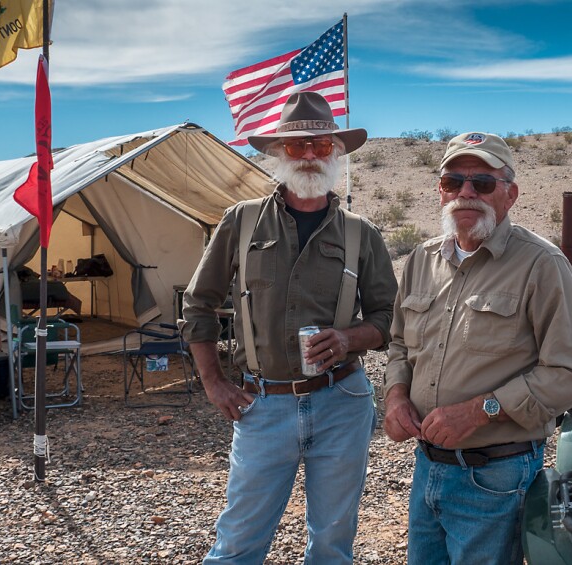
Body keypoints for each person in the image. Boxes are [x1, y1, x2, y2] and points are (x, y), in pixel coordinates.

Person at [179, 92, 397, 564]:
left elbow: (388, 318)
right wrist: (214, 382)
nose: (311, 155)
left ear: (337, 151)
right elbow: (198, 302)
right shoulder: (241, 221)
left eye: (321, 145)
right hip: (263, 404)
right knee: (239, 539)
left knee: (332, 542)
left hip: (342, 401)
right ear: (279, 153)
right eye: (298, 147)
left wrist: (348, 339)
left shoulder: (362, 233)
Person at [383, 132, 572, 564]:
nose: (465, 192)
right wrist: (396, 395)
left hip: (495, 476)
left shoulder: (542, 265)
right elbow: (400, 344)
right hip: (428, 466)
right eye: (453, 181)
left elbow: (571, 375)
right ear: (439, 190)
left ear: (509, 194)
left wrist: (479, 412)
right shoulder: (422, 259)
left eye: (481, 182)